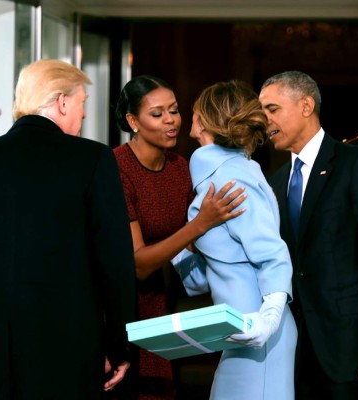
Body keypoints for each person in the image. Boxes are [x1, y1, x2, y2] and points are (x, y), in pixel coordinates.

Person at [0, 59, 136, 399]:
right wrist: (120, 346)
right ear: (61, 101)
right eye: (82, 102)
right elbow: (114, 263)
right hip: (65, 347)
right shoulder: (93, 159)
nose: (84, 114)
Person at [260, 70, 358, 399]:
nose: (264, 121)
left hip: (351, 351)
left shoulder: (357, 164)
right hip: (293, 354)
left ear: (306, 106)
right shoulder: (276, 181)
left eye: (272, 109)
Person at [113, 75, 247, 399]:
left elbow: (193, 244)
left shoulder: (180, 167)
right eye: (157, 114)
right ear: (133, 121)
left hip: (163, 304)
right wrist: (199, 224)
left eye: (174, 110)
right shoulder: (116, 167)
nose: (171, 121)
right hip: (119, 309)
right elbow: (139, 263)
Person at [172, 80, 296, 399]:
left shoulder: (231, 177)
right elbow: (200, 279)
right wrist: (182, 240)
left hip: (259, 333)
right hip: (237, 331)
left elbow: (272, 253)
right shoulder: (218, 175)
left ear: (203, 118)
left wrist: (266, 321)